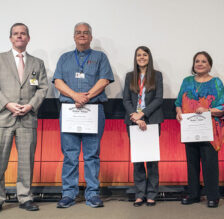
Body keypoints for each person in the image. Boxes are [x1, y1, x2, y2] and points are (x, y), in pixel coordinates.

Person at [0, 23, 48, 215]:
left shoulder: (37, 63)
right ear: (11, 38)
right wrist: (8, 104)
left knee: (26, 161)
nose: (19, 36)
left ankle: (25, 197)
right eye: (15, 34)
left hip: (27, 118)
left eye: (23, 34)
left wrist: (30, 105)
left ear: (28, 38)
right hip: (2, 117)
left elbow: (43, 88)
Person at [53, 22, 114, 208]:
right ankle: (68, 194)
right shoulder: (64, 58)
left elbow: (104, 80)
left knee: (92, 155)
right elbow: (57, 81)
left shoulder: (100, 57)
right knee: (70, 154)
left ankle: (93, 194)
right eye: (78, 33)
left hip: (92, 110)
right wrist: (75, 96)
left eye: (85, 33)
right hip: (70, 110)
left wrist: (85, 97)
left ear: (90, 37)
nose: (82, 35)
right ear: (73, 36)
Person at [175, 51, 224, 208]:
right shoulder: (186, 81)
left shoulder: (216, 82)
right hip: (190, 129)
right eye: (197, 61)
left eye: (203, 61)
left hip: (210, 130)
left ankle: (213, 196)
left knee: (209, 163)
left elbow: (223, 106)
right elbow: (178, 102)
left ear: (209, 65)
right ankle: (193, 194)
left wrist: (208, 110)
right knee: (191, 163)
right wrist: (179, 113)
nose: (199, 64)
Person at [123, 46, 163, 207]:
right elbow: (126, 99)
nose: (141, 57)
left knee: (152, 160)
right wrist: (135, 116)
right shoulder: (129, 76)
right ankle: (140, 194)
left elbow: (159, 99)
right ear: (135, 58)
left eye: (144, 55)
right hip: (133, 121)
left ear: (149, 57)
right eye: (138, 55)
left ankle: (152, 194)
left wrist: (143, 114)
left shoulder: (157, 75)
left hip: (152, 120)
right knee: (138, 160)